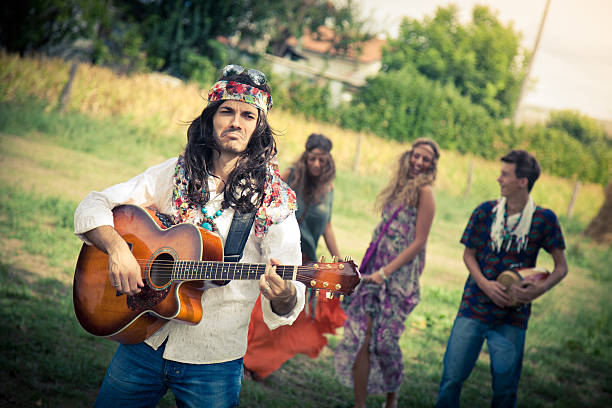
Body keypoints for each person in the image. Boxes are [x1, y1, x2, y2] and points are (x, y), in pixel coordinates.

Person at [73, 64, 306, 408]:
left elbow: (291, 296)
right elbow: (93, 204)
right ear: (210, 118)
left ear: (258, 128)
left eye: (247, 115)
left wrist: (284, 294)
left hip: (213, 358)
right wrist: (118, 249)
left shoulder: (273, 200)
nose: (235, 122)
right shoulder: (176, 173)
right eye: (226, 111)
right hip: (144, 339)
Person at [435, 150, 569, 408]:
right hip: (473, 307)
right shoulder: (485, 211)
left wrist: (536, 291)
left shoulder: (544, 219)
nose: (499, 179)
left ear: (523, 181)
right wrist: (485, 284)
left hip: (512, 317)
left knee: (505, 392)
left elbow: (561, 267)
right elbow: (468, 255)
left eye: (505, 174)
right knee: (451, 380)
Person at [335, 137, 440, 408]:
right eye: (415, 156)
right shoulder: (398, 188)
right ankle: (360, 404)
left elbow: (419, 242)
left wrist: (386, 272)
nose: (418, 162)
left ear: (431, 166)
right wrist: (371, 268)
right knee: (364, 337)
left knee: (385, 342)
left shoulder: (425, 193)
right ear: (408, 156)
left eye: (425, 159)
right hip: (374, 273)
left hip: (397, 278)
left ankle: (392, 398)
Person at [243, 133, 345, 380]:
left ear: (328, 161)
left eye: (322, 160)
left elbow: (327, 225)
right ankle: (247, 360)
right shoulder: (290, 175)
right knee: (264, 311)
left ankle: (262, 364)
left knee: (292, 318)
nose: (316, 165)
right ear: (306, 157)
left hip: (307, 259)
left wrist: (339, 261)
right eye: (312, 159)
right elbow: (264, 204)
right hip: (284, 255)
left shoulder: (328, 186)